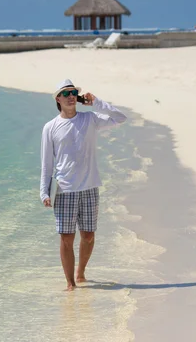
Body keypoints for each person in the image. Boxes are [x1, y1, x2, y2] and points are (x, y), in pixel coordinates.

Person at [40, 79, 127, 291]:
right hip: (65, 190)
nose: (71, 96)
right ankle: (70, 283)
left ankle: (81, 273)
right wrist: (44, 192)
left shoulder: (90, 119)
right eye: (66, 93)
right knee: (67, 238)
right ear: (58, 99)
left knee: (88, 236)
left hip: (89, 188)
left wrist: (96, 102)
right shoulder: (50, 127)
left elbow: (120, 118)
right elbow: (47, 163)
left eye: (73, 92)